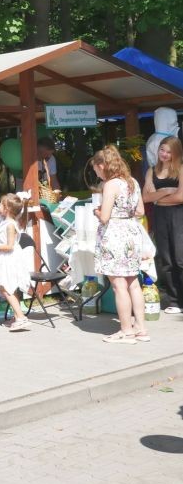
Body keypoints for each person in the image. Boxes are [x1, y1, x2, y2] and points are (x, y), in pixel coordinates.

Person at [93, 145, 147, 344]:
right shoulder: (132, 181)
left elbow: (105, 217)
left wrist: (97, 211)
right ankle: (140, 328)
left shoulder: (110, 184)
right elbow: (140, 211)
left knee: (119, 285)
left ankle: (126, 331)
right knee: (133, 282)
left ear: (102, 166)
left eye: (95, 169)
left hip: (114, 235)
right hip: (131, 233)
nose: (96, 173)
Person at [142, 136, 183, 315]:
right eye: (162, 150)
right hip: (160, 216)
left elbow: (181, 197)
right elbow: (145, 197)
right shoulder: (151, 171)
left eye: (169, 151)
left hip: (178, 215)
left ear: (176, 153)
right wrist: (166, 191)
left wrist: (158, 196)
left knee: (180, 258)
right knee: (166, 259)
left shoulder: (180, 169)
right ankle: (174, 301)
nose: (164, 154)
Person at [0, 194, 34, 331]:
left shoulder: (10, 225)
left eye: (1, 204)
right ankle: (17, 315)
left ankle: (21, 317)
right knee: (9, 287)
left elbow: (9, 246)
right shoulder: (6, 221)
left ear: (7, 208)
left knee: (6, 288)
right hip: (5, 258)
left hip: (8, 259)